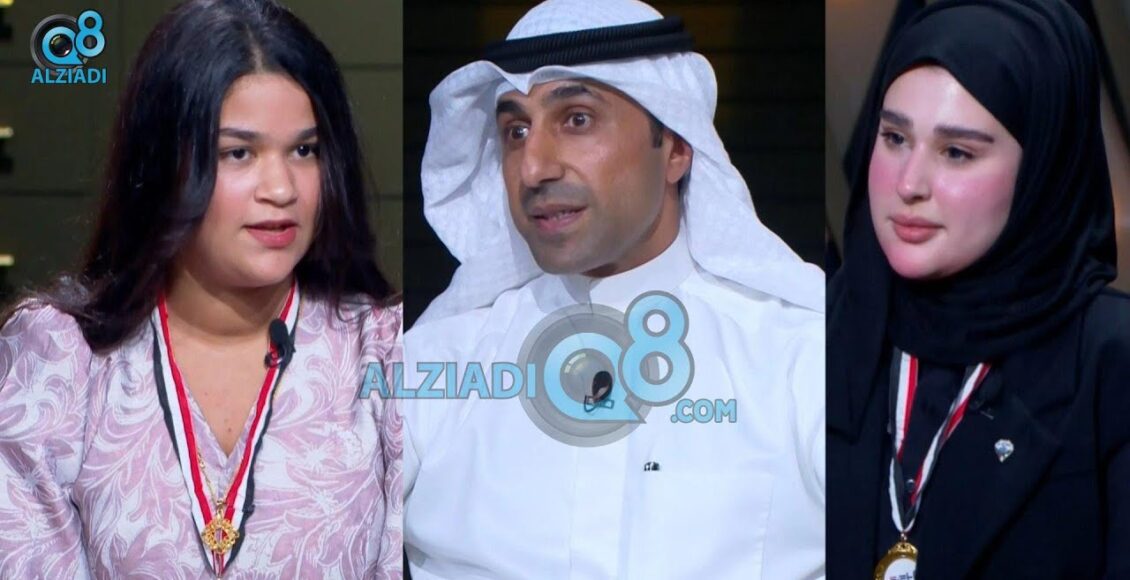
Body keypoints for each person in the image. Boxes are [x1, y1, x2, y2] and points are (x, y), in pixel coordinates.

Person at [402, 0, 825, 577]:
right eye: (515, 131)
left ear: (676, 147)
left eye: (576, 120)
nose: (533, 168)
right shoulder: (437, 365)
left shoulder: (799, 358)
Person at [0, 0, 402, 577]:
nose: (281, 188)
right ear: (164, 164)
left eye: (304, 150)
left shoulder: (383, 350)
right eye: (238, 153)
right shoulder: (62, 358)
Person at [827, 0, 1130, 577]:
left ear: (1041, 167)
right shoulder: (816, 328)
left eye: (957, 152)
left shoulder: (1110, 363)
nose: (909, 184)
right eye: (894, 137)